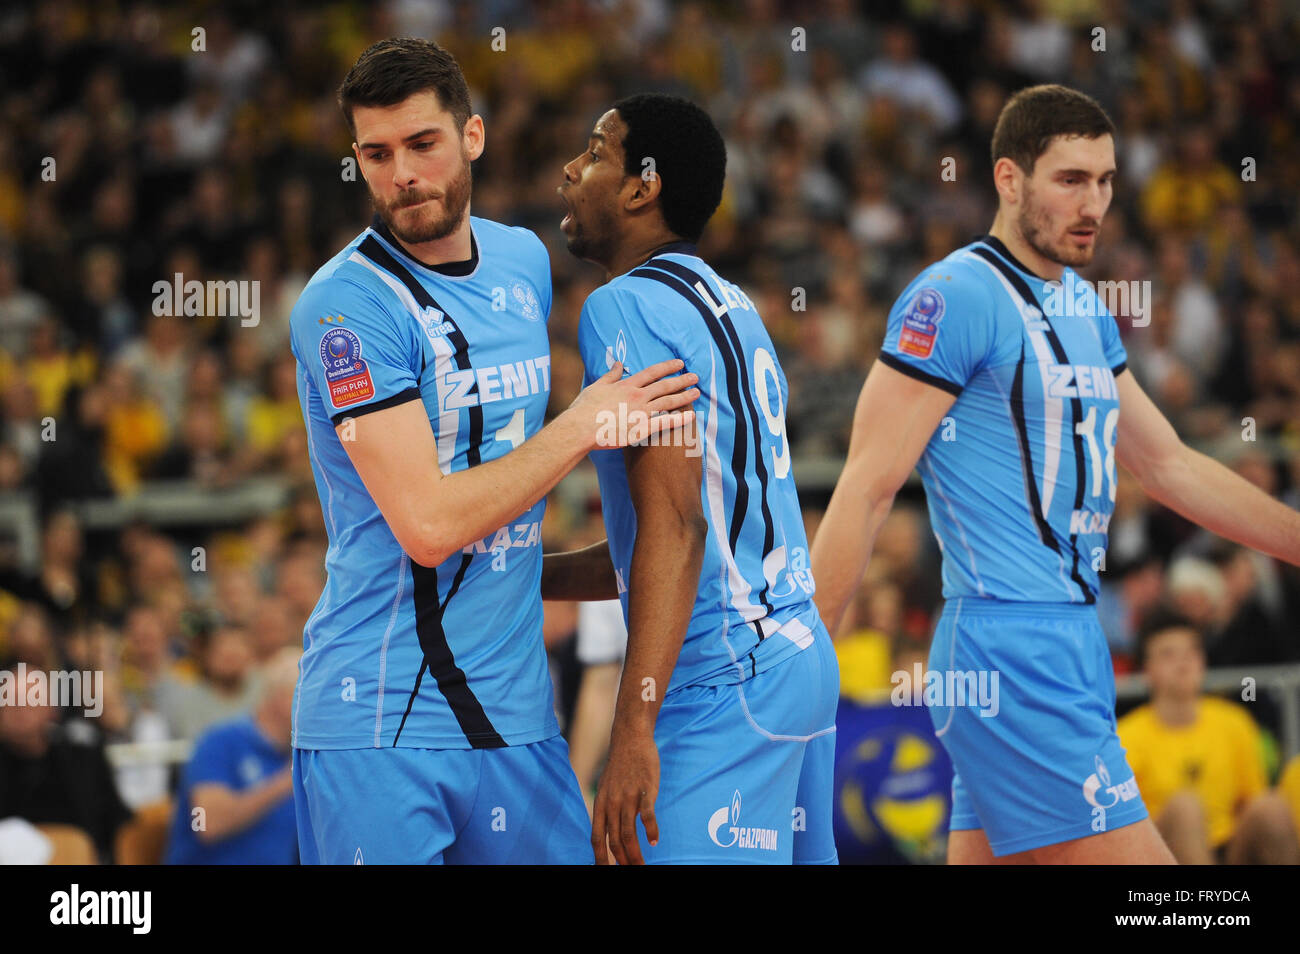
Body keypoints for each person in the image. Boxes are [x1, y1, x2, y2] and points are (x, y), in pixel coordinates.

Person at [810, 84, 1300, 864]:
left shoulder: (1084, 305)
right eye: (1071, 180)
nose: (1094, 204)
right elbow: (866, 489)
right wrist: (800, 665)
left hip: (1066, 642)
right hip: (1011, 651)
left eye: (1106, 182)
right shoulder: (954, 294)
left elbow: (1168, 465)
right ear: (1009, 180)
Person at [288, 39, 697, 865]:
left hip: (519, 718)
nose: (401, 173)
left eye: (422, 144)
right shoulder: (344, 307)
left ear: (472, 136)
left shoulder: (524, 260)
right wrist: (583, 423)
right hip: (380, 721)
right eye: (376, 153)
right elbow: (431, 528)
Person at [546, 93, 840, 864]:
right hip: (799, 653)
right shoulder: (729, 301)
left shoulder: (621, 306)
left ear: (643, 186)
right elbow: (663, 541)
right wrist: (521, 576)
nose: (569, 172)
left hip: (722, 679)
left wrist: (632, 725)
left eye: (595, 153)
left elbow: (678, 530)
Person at [1117, 609, 1299, 864]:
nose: (1183, 663)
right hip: (1163, 849)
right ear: (1148, 670)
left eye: (1191, 652)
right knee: (1185, 808)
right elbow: (1126, 830)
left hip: (1229, 845)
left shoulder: (1234, 721)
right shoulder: (1125, 737)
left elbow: (1252, 799)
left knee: (1271, 807)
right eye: (1169, 654)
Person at [165, 647, 301, 865]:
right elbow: (208, 823)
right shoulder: (217, 742)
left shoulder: (296, 756)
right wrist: (284, 782)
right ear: (281, 697)